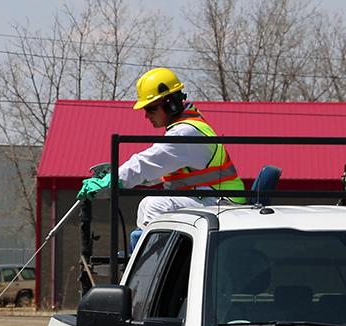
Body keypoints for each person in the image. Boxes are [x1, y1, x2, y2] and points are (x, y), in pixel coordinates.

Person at [76, 67, 246, 230]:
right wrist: (116, 176)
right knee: (145, 206)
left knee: (154, 205)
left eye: (151, 109)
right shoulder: (187, 126)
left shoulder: (185, 132)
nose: (146, 115)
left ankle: (156, 251)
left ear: (171, 104)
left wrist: (114, 180)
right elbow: (156, 170)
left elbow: (146, 163)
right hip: (212, 197)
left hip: (223, 200)